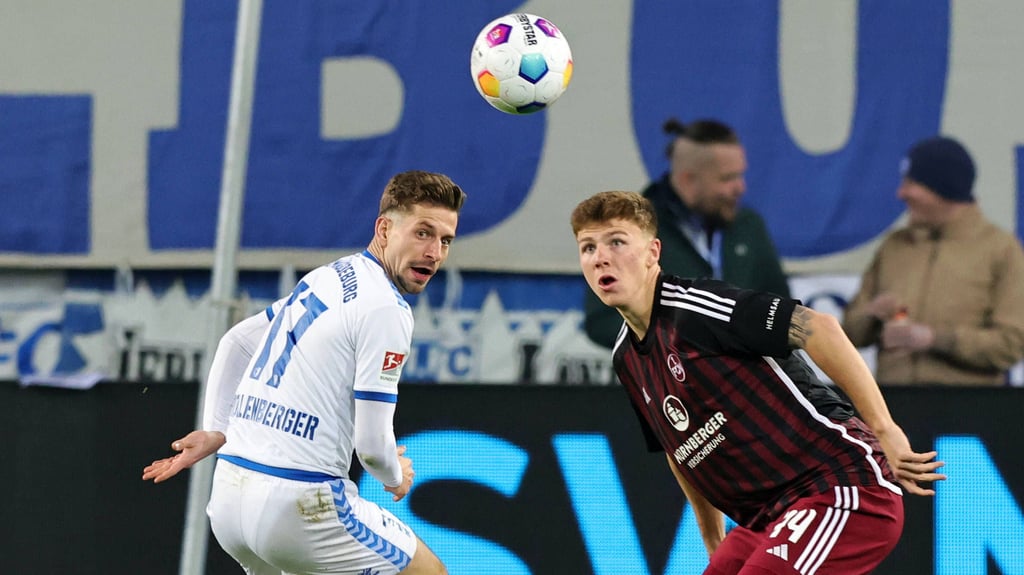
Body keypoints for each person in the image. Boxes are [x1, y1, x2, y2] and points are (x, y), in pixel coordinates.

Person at [570, 190, 945, 574]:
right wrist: (713, 539)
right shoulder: (626, 357)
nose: (601, 257)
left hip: (840, 487)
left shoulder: (698, 308)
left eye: (617, 241)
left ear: (653, 252)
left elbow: (820, 328)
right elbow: (679, 447)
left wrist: (886, 429)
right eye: (588, 247)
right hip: (767, 521)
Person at [142, 170, 466, 575]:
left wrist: (218, 428)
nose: (435, 252)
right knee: (430, 572)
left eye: (446, 240)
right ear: (384, 229)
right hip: (300, 507)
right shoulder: (387, 308)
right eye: (423, 233)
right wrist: (395, 475)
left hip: (228, 497)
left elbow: (236, 343)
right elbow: (370, 445)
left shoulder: (328, 276)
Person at [583, 118, 789, 349]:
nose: (740, 187)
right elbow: (602, 322)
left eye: (740, 175)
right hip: (665, 381)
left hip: (740, 382)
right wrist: (682, 340)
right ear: (687, 179)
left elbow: (779, 308)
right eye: (727, 178)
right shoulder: (629, 231)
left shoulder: (749, 226)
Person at [842, 136, 1024, 386]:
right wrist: (871, 315)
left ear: (943, 189)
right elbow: (848, 334)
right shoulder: (894, 246)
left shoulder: (1001, 250)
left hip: (968, 410)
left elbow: (1010, 344)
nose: (901, 193)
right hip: (893, 410)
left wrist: (933, 339)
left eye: (911, 183)